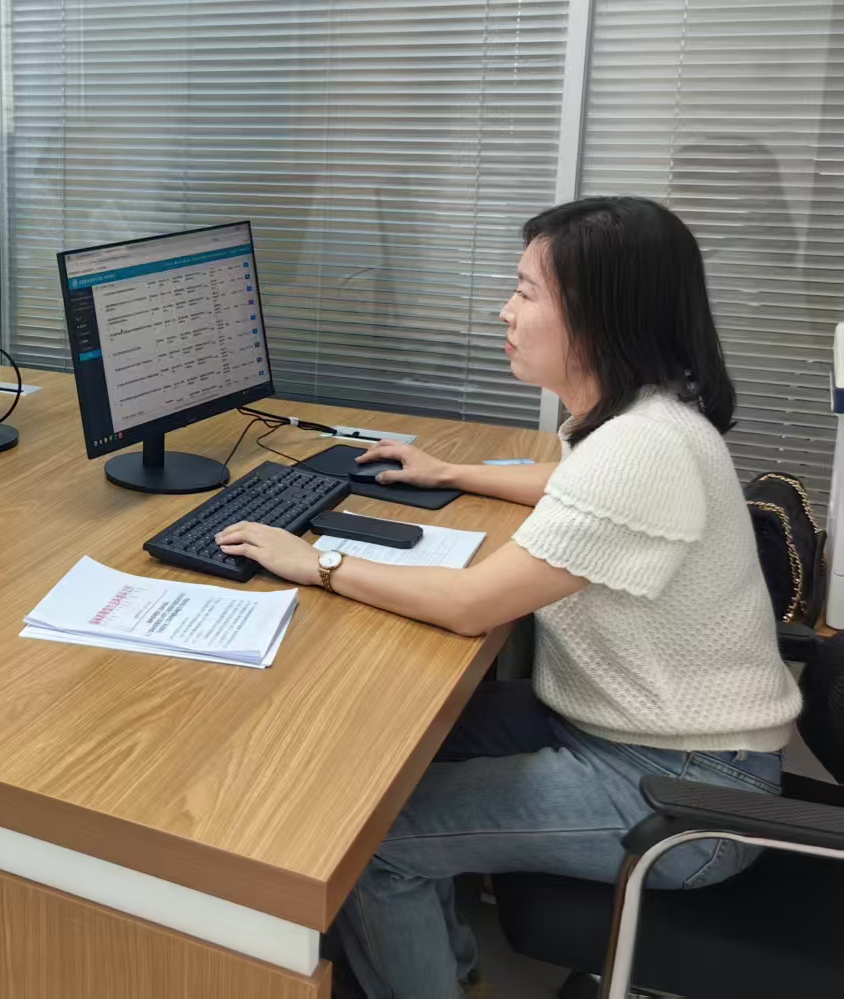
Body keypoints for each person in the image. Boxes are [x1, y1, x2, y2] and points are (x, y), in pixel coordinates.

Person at [216, 196, 801, 999]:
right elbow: (569, 482)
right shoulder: (640, 415)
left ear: (598, 317)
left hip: (685, 792)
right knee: (385, 750)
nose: (505, 309)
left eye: (526, 291)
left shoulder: (640, 449)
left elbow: (472, 604)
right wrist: (451, 471)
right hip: (630, 730)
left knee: (370, 840)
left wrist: (315, 561)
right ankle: (445, 968)